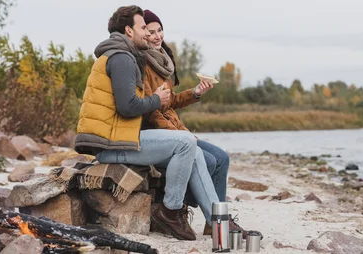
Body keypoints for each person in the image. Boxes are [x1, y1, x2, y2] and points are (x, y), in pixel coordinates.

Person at [74, 5, 198, 241]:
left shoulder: (119, 54)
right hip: (112, 146)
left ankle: (171, 207)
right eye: (143, 28)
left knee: (184, 144)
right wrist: (156, 99)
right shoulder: (122, 58)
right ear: (129, 31)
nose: (147, 34)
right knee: (185, 143)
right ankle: (170, 211)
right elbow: (127, 106)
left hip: (114, 140)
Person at [141, 9, 260, 239]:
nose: (157, 36)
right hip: (161, 134)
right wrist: (182, 136)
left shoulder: (163, 61)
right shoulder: (143, 63)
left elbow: (170, 102)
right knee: (207, 159)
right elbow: (151, 111)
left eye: (160, 30)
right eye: (151, 32)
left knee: (222, 158)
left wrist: (195, 92)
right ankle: (208, 219)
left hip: (177, 130)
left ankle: (211, 222)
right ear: (143, 33)